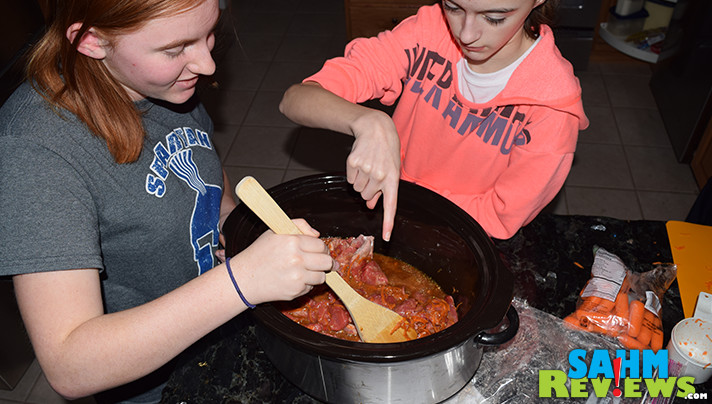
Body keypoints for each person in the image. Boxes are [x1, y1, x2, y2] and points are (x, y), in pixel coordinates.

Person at [0, 1, 335, 402]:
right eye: (176, 49)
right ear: (90, 41)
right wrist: (242, 281)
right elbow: (69, 363)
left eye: (209, 33)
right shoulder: (34, 150)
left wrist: (238, 228)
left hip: (226, 334)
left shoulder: (163, 81)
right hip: (160, 387)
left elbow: (204, 178)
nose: (208, 65)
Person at [279, 0, 589, 241]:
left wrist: (410, 206)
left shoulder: (553, 106)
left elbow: (500, 217)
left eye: (495, 17)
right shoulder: (426, 32)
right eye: (453, 7)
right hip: (389, 210)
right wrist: (369, 121)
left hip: (462, 235)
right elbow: (294, 100)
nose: (466, 33)